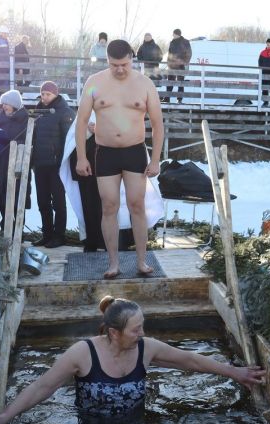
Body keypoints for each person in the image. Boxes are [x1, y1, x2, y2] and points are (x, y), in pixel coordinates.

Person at [0, 296, 266, 424]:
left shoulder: (146, 348)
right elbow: (42, 386)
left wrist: (235, 372)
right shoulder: (83, 353)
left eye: (142, 327)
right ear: (113, 332)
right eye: (136, 330)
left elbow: (190, 360)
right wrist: (6, 416)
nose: (142, 334)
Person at [74, 39, 164, 278]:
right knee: (109, 206)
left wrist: (155, 159)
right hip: (105, 153)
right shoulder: (94, 83)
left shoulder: (145, 84)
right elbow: (81, 121)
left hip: (134, 151)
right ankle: (113, 263)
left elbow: (157, 124)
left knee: (137, 205)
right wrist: (81, 157)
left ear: (132, 59)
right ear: (107, 61)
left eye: (124, 64)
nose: (120, 69)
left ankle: (142, 261)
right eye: (114, 64)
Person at [31, 81, 75, 248]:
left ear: (55, 94)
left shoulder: (65, 112)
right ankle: (47, 234)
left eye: (47, 94)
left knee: (58, 201)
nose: (44, 97)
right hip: (40, 164)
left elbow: (68, 140)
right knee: (43, 201)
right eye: (42, 94)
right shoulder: (38, 113)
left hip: (56, 165)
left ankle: (59, 235)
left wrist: (63, 161)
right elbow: (33, 138)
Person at [0, 89, 31, 231]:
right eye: (3, 104)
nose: (4, 106)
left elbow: (29, 140)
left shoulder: (26, 120)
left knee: (17, 198)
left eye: (7, 104)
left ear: (14, 104)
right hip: (2, 162)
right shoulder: (0, 120)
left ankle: (17, 227)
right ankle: (5, 225)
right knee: (2, 196)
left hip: (19, 163)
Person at [162, 28, 191, 104]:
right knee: (169, 82)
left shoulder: (185, 42)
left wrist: (184, 62)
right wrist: (168, 63)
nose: (173, 35)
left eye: (174, 34)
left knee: (180, 83)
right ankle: (167, 98)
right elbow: (169, 54)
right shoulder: (172, 42)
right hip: (171, 65)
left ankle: (179, 99)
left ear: (177, 34)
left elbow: (189, 53)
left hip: (181, 65)